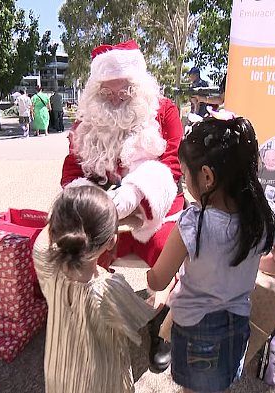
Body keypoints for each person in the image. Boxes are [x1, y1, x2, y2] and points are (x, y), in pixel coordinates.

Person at [146, 115, 275, 393]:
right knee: (220, 383)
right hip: (238, 325)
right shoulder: (266, 216)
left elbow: (158, 281)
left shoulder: (193, 223)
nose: (184, 183)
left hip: (196, 330)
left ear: (207, 176)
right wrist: (250, 260)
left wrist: (150, 270)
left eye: (184, 175)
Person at [61, 39, 184, 373]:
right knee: (79, 250)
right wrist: (98, 205)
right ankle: (96, 319)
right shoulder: (85, 120)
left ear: (140, 85)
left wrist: (133, 195)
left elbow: (173, 166)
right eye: (107, 92)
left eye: (125, 91)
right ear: (94, 89)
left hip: (155, 210)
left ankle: (162, 325)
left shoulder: (165, 111)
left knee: (167, 249)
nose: (116, 98)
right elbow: (72, 173)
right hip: (104, 214)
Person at [33, 185, 157, 393]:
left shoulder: (44, 260)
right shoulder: (109, 289)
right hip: (101, 380)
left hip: (60, 372)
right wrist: (165, 288)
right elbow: (146, 312)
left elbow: (50, 224)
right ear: (112, 241)